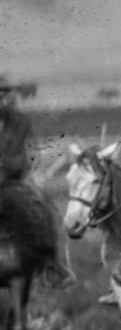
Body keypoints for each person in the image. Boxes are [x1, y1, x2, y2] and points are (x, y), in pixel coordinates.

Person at [0, 74, 73, 289]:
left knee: (46, 209)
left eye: (3, 94)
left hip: (12, 181)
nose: (1, 99)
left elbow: (30, 154)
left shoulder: (20, 122)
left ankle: (55, 265)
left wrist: (7, 168)